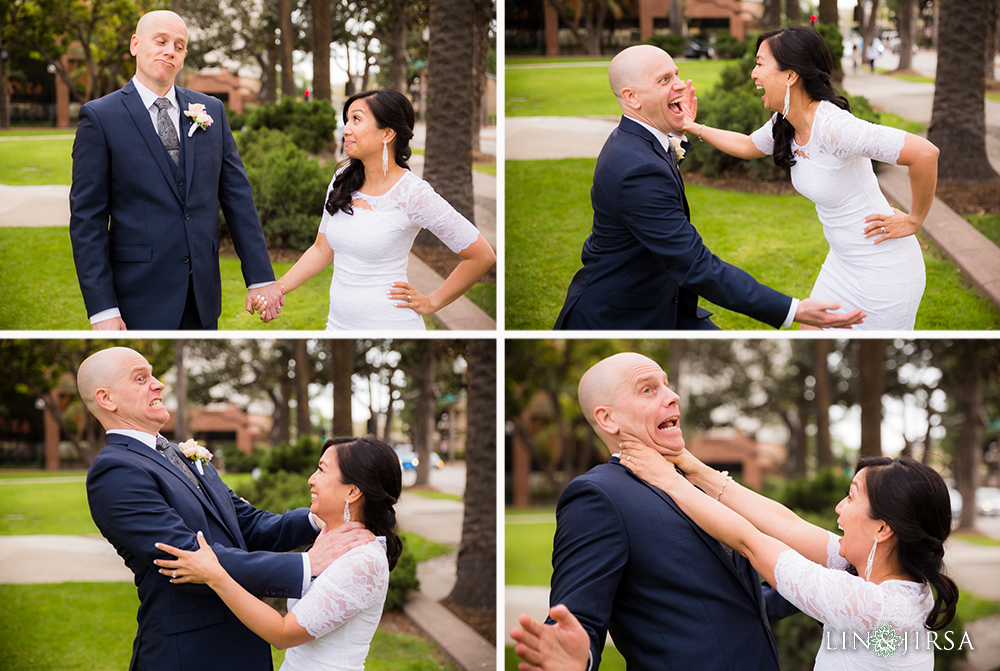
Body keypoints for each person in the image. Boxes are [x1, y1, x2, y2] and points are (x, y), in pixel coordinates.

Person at [80, 347, 369, 671]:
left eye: (153, 375)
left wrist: (318, 519)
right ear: (107, 399)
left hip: (243, 642)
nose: (158, 384)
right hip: (190, 654)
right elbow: (187, 556)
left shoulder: (180, 454)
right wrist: (305, 564)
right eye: (140, 378)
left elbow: (245, 524)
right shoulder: (115, 471)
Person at [511, 352, 793, 671]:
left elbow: (730, 600)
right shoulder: (597, 496)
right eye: (648, 389)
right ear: (608, 419)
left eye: (667, 385)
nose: (673, 397)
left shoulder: (695, 482)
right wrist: (580, 657)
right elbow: (577, 618)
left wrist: (822, 585)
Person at [552, 44, 865, 331]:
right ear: (632, 97)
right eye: (663, 80)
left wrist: (682, 131)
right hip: (621, 316)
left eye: (676, 73)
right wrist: (793, 309)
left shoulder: (637, 141)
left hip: (664, 303)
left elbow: (656, 169)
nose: (678, 84)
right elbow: (696, 265)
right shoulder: (637, 169)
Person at [682, 26, 938, 329]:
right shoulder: (785, 122)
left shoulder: (835, 128)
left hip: (884, 270)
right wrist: (691, 125)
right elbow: (747, 145)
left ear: (791, 75)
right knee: (808, 330)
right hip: (842, 263)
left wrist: (914, 220)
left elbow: (924, 153)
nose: (754, 73)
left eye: (760, 63)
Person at [616, 443, 959, 670]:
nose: (839, 508)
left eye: (851, 498)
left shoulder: (874, 608)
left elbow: (750, 541)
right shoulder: (893, 579)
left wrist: (670, 483)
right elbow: (786, 525)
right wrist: (695, 468)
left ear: (882, 529)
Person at [70, 10, 284, 330]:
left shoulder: (211, 110)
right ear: (135, 45)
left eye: (179, 45)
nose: (170, 50)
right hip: (137, 299)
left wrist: (260, 277)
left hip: (203, 298)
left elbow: (237, 198)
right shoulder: (100, 117)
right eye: (161, 41)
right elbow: (88, 220)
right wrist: (103, 309)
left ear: (183, 57)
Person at [154, 436, 403, 670]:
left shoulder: (364, 560)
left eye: (322, 469)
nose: (311, 479)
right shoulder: (331, 539)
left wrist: (217, 577)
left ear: (352, 491)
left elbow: (283, 633)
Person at [256, 89, 496, 330]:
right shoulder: (342, 179)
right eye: (347, 120)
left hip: (392, 326)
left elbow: (481, 255)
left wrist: (431, 302)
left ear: (388, 133)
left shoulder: (413, 193)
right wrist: (278, 288)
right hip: (337, 327)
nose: (346, 129)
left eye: (356, 119)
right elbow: (321, 250)